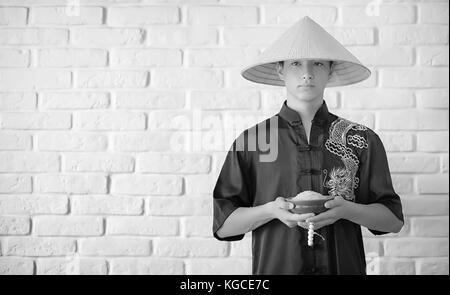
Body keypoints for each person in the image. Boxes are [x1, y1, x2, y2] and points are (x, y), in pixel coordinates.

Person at [212, 16, 404, 275]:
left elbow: (392, 221)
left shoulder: (361, 138)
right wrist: (271, 210)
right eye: (295, 63)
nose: (306, 73)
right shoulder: (252, 140)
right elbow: (224, 226)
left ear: (330, 69)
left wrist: (347, 210)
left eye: (317, 63)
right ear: (280, 70)